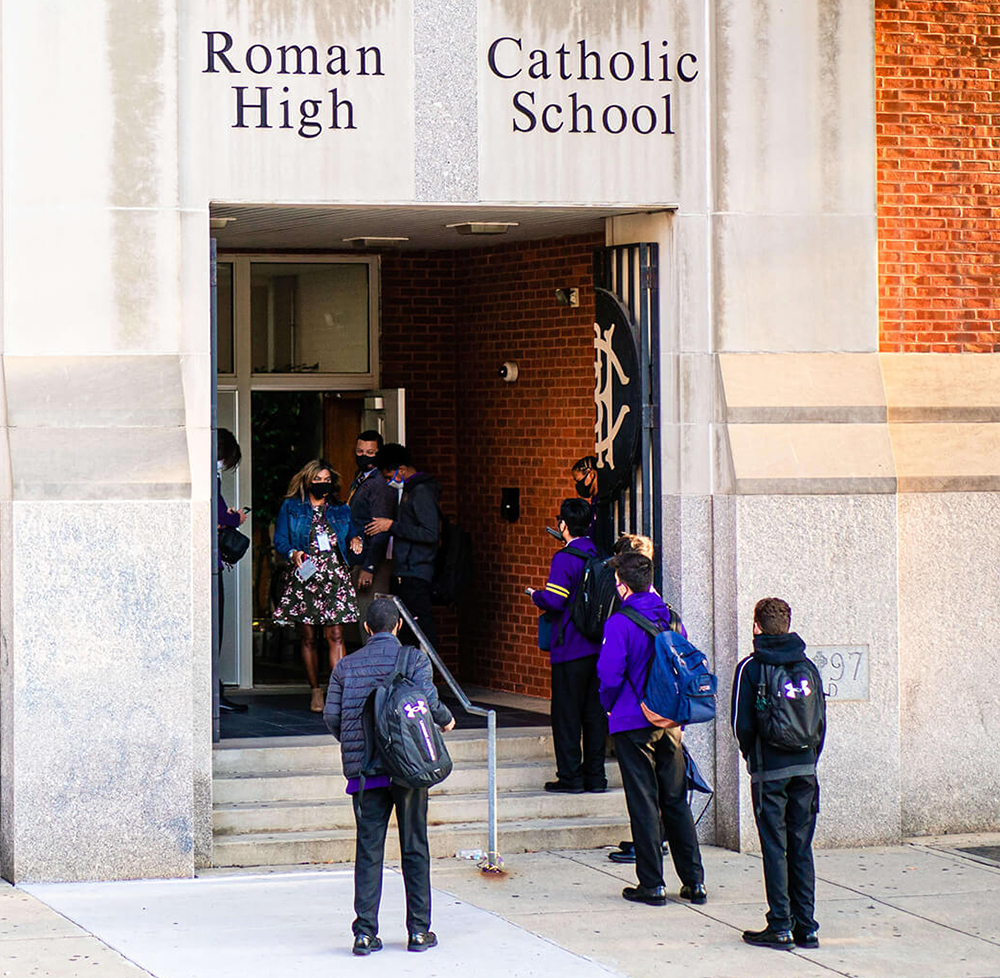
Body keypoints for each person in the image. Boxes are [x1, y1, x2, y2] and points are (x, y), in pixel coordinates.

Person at [324, 597, 455, 955]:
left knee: (368, 850)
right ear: (398, 626)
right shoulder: (412, 658)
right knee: (415, 846)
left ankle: (364, 934)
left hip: (365, 773)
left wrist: (360, 746)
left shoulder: (345, 667)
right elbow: (427, 702)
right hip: (409, 769)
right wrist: (445, 719)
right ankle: (418, 931)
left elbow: (332, 718)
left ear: (366, 628)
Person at [598, 551, 706, 906]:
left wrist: (610, 707)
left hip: (633, 721)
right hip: (670, 721)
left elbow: (610, 675)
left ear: (623, 586)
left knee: (643, 801)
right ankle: (694, 882)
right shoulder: (672, 618)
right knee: (675, 800)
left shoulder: (619, 623)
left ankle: (652, 883)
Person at [731, 598, 826, 950]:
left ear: (756, 626)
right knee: (801, 845)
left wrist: (753, 759)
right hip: (805, 769)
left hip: (769, 771)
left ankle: (780, 925)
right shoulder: (809, 667)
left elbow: (741, 725)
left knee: (775, 846)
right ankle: (808, 926)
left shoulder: (751, 668)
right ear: (787, 624)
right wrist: (810, 758)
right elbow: (820, 721)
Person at [527, 498, 607, 794]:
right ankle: (596, 777)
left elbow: (556, 600)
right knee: (594, 716)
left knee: (567, 716)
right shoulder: (599, 554)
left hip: (570, 647)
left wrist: (535, 595)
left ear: (563, 525)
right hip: (598, 647)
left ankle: (571, 776)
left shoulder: (564, 558)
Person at [273, 460, 364, 712]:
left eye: (326, 480)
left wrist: (356, 540)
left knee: (336, 635)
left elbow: (352, 535)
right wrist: (292, 553)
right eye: (318, 479)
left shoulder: (340, 509)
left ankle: (339, 693)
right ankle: (315, 690)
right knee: (309, 638)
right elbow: (280, 539)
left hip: (334, 577)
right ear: (307, 480)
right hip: (306, 577)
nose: (322, 484)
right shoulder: (291, 507)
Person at [366, 444, 441, 649]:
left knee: (419, 625)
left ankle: (428, 673)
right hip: (407, 568)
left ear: (402, 469)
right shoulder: (411, 490)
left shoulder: (421, 492)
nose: (390, 481)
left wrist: (392, 526)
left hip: (416, 568)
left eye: (390, 475)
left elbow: (430, 532)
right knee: (408, 628)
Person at [347, 429, 396, 625]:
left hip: (371, 558)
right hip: (358, 556)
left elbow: (381, 529)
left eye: (370, 452)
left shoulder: (378, 485)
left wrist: (369, 567)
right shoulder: (360, 478)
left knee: (370, 620)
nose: (364, 456)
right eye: (360, 452)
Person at [216, 428, 248, 713]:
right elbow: (218, 514)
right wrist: (235, 518)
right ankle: (215, 692)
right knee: (215, 630)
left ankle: (216, 689)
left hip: (212, 560)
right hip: (212, 563)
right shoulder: (209, 478)